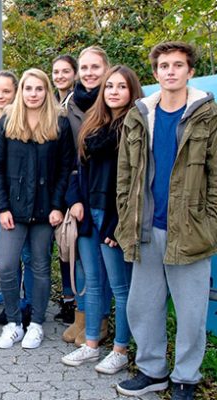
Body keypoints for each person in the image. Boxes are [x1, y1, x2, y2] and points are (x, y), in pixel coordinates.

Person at [115, 42, 217, 400]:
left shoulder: (208, 115)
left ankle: (186, 377)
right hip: (146, 227)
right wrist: (127, 214)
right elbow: (126, 173)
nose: (170, 71)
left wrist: (210, 223)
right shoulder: (140, 114)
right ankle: (151, 370)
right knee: (142, 306)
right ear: (155, 73)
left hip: (189, 230)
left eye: (178, 65)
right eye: (163, 66)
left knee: (191, 313)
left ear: (190, 71)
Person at [61, 65, 143, 373]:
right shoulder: (92, 125)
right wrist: (75, 201)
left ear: (132, 91)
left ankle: (120, 349)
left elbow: (135, 181)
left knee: (120, 288)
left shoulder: (134, 127)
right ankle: (91, 344)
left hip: (113, 217)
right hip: (87, 213)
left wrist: (119, 222)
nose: (114, 92)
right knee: (93, 283)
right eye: (110, 87)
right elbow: (75, 169)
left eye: (121, 87)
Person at [0, 68, 74, 349]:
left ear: (46, 91)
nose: (33, 94)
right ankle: (13, 323)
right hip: (12, 209)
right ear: (21, 91)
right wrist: (1, 207)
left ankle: (36, 323)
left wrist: (57, 205)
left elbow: (65, 169)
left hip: (44, 210)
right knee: (7, 265)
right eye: (28, 88)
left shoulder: (59, 123)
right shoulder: (6, 122)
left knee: (39, 266)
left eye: (39, 89)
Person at [63, 46, 112, 346]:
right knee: (81, 261)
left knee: (105, 265)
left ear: (106, 69)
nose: (90, 73)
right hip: (80, 191)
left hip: (106, 193)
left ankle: (101, 320)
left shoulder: (117, 100)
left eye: (96, 67)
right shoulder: (71, 104)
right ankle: (83, 316)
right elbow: (68, 157)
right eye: (85, 68)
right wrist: (73, 198)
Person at [0, 70, 31, 326]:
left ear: (16, 92)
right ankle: (12, 298)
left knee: (25, 255)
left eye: (6, 91)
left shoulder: (21, 121)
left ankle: (29, 303)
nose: (0, 96)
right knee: (6, 255)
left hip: (20, 199)